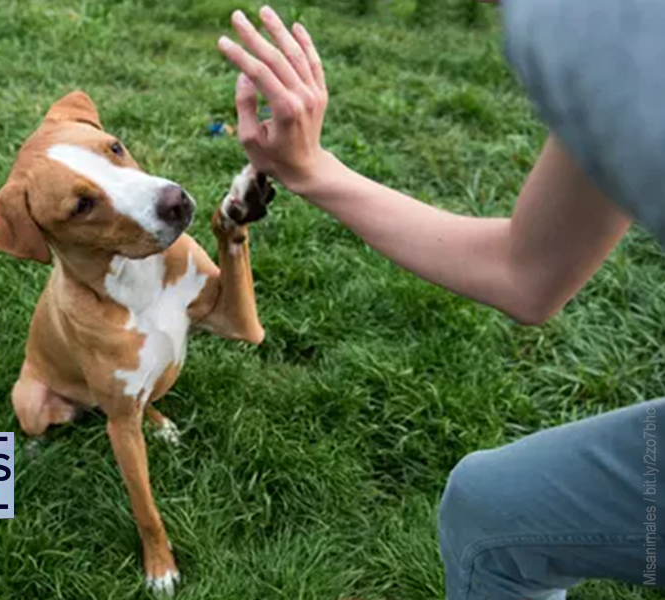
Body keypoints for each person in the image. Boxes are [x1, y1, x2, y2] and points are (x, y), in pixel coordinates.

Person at [217, 2, 665, 598]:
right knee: (493, 509)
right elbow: (526, 272)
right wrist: (311, 171)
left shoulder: (602, 32)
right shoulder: (619, 44)